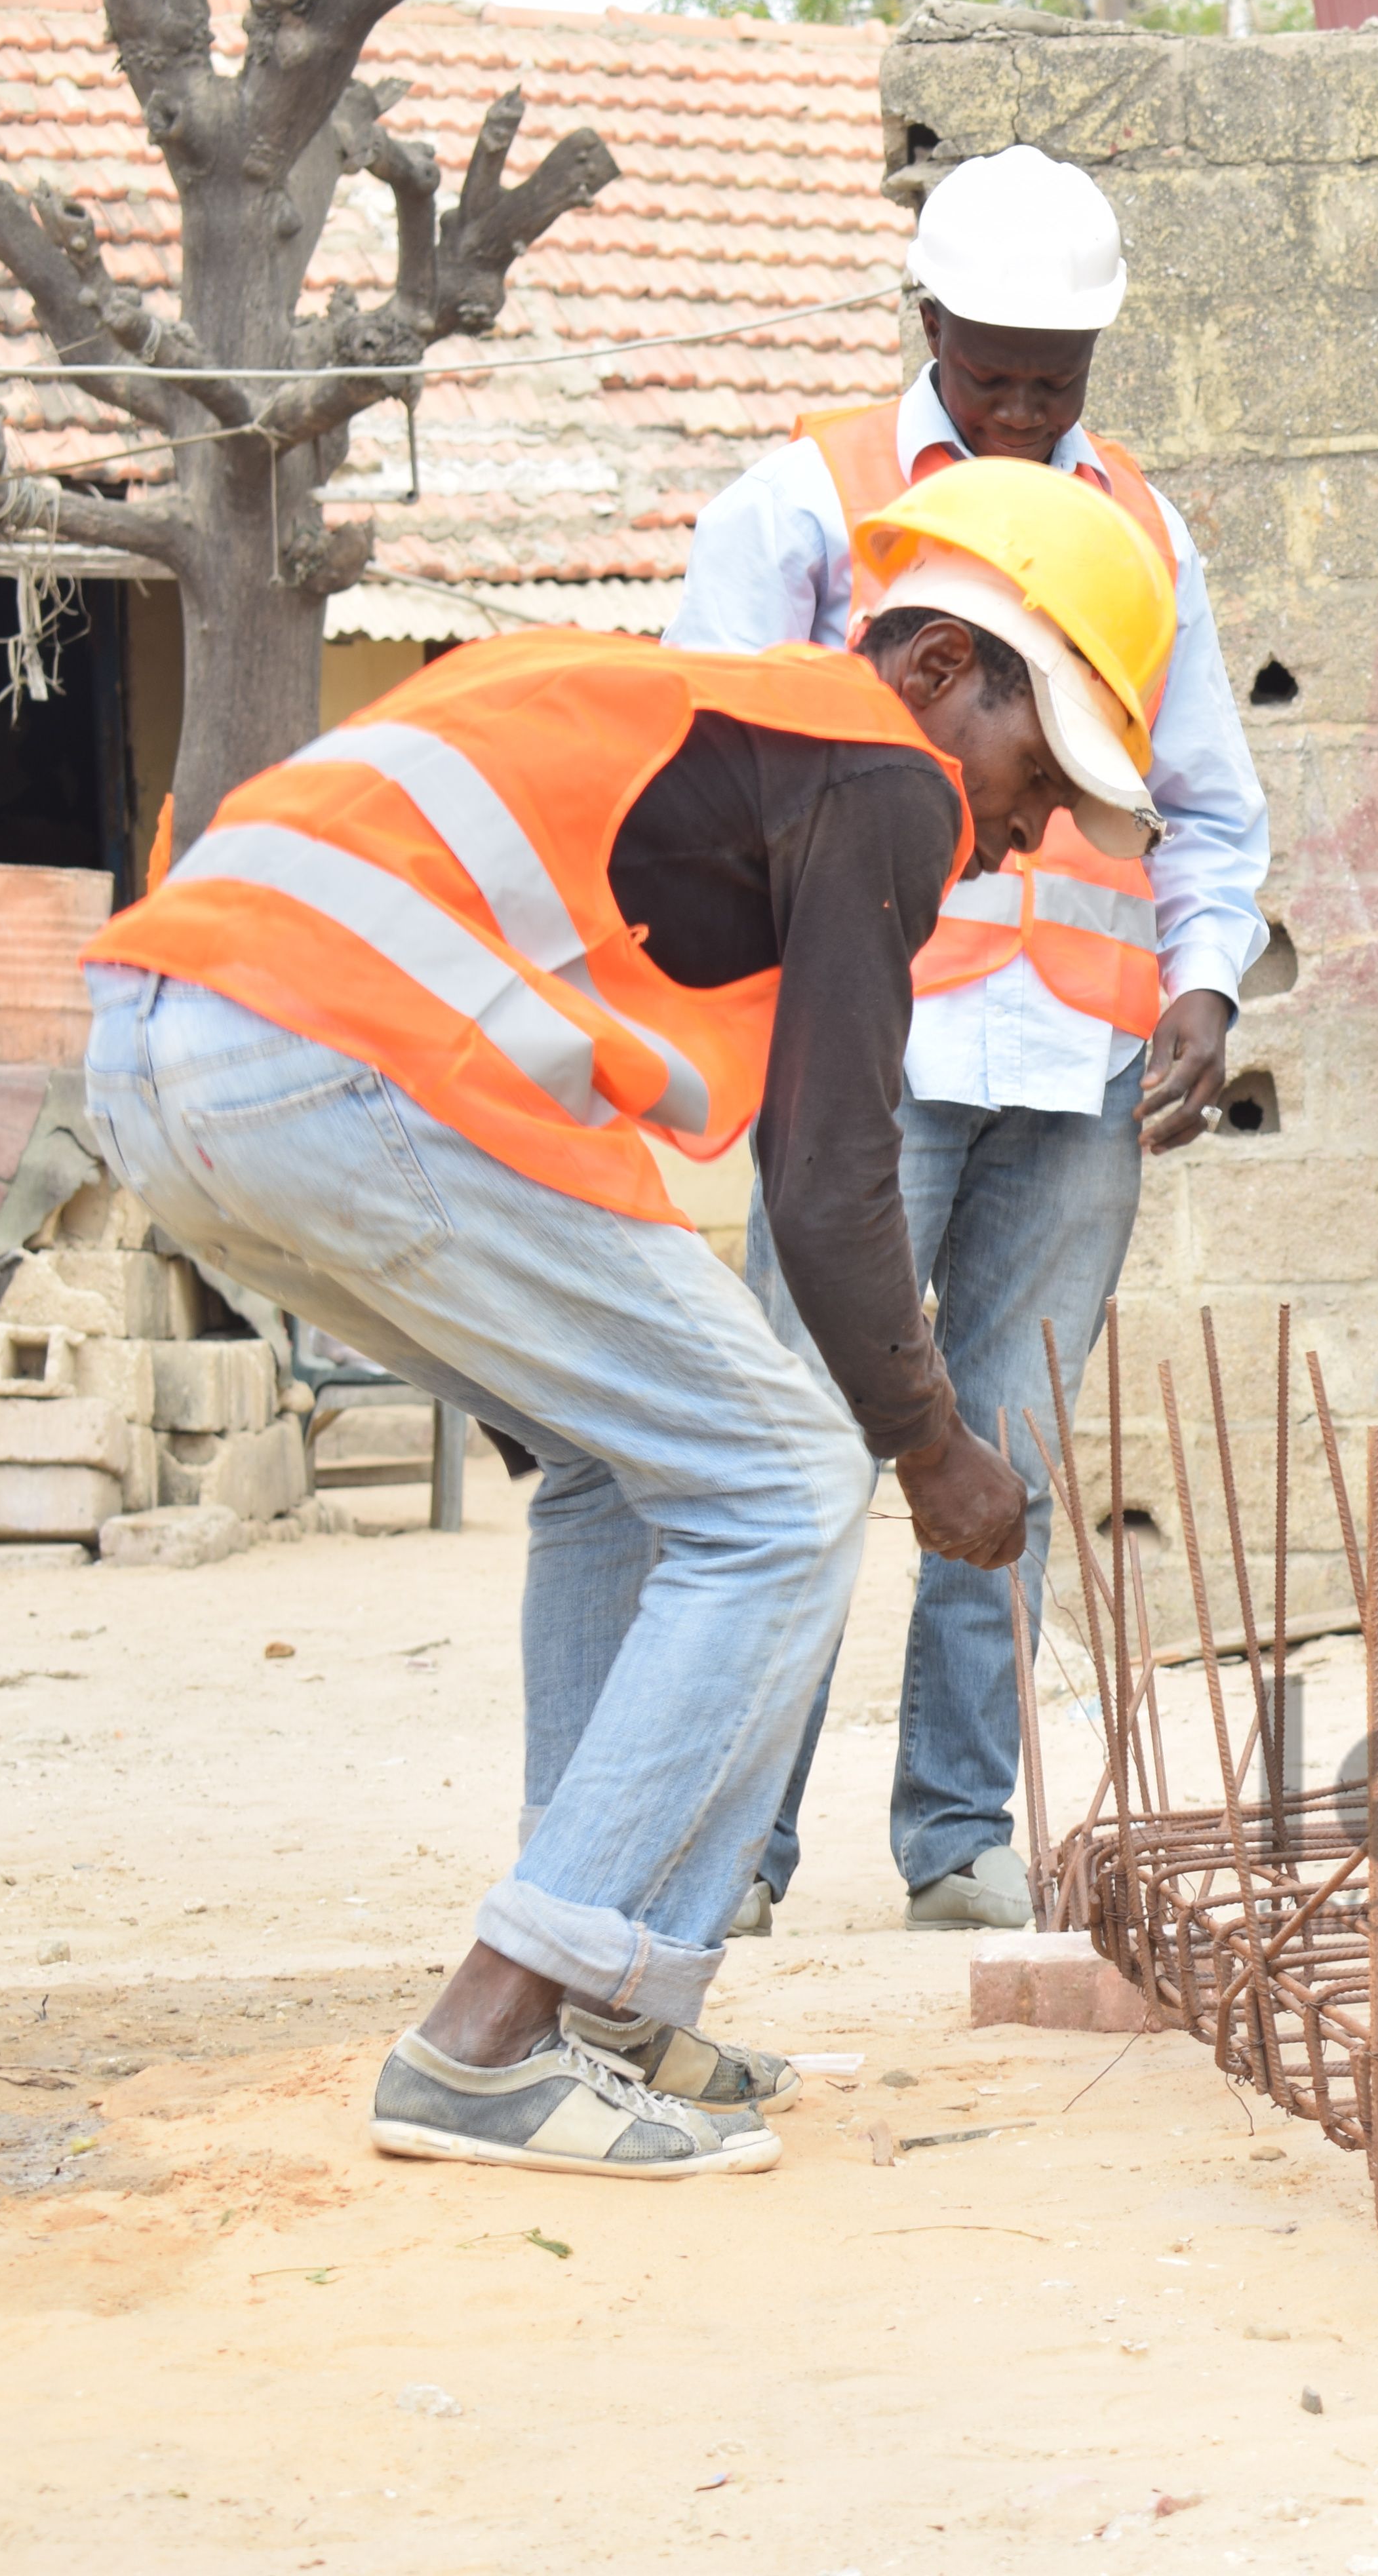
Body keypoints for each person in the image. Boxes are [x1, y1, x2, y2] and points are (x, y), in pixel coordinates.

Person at [83, 460, 1176, 2177]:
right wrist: (937, 1450)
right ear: (939, 669)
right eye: (1039, 774)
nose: (1030, 835)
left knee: (626, 1467)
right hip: (327, 1051)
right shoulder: (877, 769)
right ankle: (490, 2039)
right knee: (788, 1482)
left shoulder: (724, 732)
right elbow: (830, 1187)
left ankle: (611, 2005)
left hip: (173, 1062)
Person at [666, 144, 1273, 1936]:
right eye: (992, 367)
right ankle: (734, 1851)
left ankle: (955, 1838)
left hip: (1078, 1080)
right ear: (928, 320)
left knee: (1001, 1459)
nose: (1021, 408)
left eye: (1056, 380)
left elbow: (1209, 816)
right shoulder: (807, 504)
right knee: (805, 1446)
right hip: (868, 1070)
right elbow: (708, 761)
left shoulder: (1147, 535)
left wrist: (1204, 986)